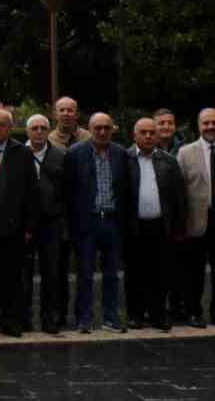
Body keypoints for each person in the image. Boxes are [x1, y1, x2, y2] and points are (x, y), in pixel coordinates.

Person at [0, 110, 38, 338]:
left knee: (10, 278)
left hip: (13, 227)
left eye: (3, 125)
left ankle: (8, 319)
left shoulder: (22, 153)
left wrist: (30, 226)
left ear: (10, 128)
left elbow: (32, 192)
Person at [66, 112, 129, 333]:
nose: (102, 132)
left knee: (112, 273)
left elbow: (126, 191)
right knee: (84, 273)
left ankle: (111, 317)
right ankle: (84, 318)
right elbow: (69, 191)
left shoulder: (121, 154)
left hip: (112, 221)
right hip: (87, 222)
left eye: (106, 127)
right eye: (97, 128)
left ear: (112, 129)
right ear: (89, 129)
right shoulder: (75, 154)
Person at [178, 107, 215, 327]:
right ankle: (194, 312)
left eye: (214, 122)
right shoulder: (185, 153)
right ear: (199, 126)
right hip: (196, 221)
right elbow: (180, 191)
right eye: (206, 123)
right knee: (194, 272)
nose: (211, 127)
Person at [123, 117, 185, 331]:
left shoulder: (169, 161)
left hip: (161, 226)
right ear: (134, 135)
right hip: (134, 226)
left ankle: (159, 313)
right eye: (143, 132)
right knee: (134, 273)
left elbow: (179, 197)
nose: (148, 136)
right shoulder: (125, 159)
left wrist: (178, 227)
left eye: (152, 132)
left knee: (161, 272)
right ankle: (135, 314)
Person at [20, 114, 67, 334]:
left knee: (52, 273)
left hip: (51, 223)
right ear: (27, 131)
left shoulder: (60, 155)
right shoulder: (17, 154)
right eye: (34, 128)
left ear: (49, 130)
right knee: (23, 274)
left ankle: (50, 318)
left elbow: (68, 190)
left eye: (43, 127)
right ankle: (24, 318)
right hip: (24, 224)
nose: (39, 131)